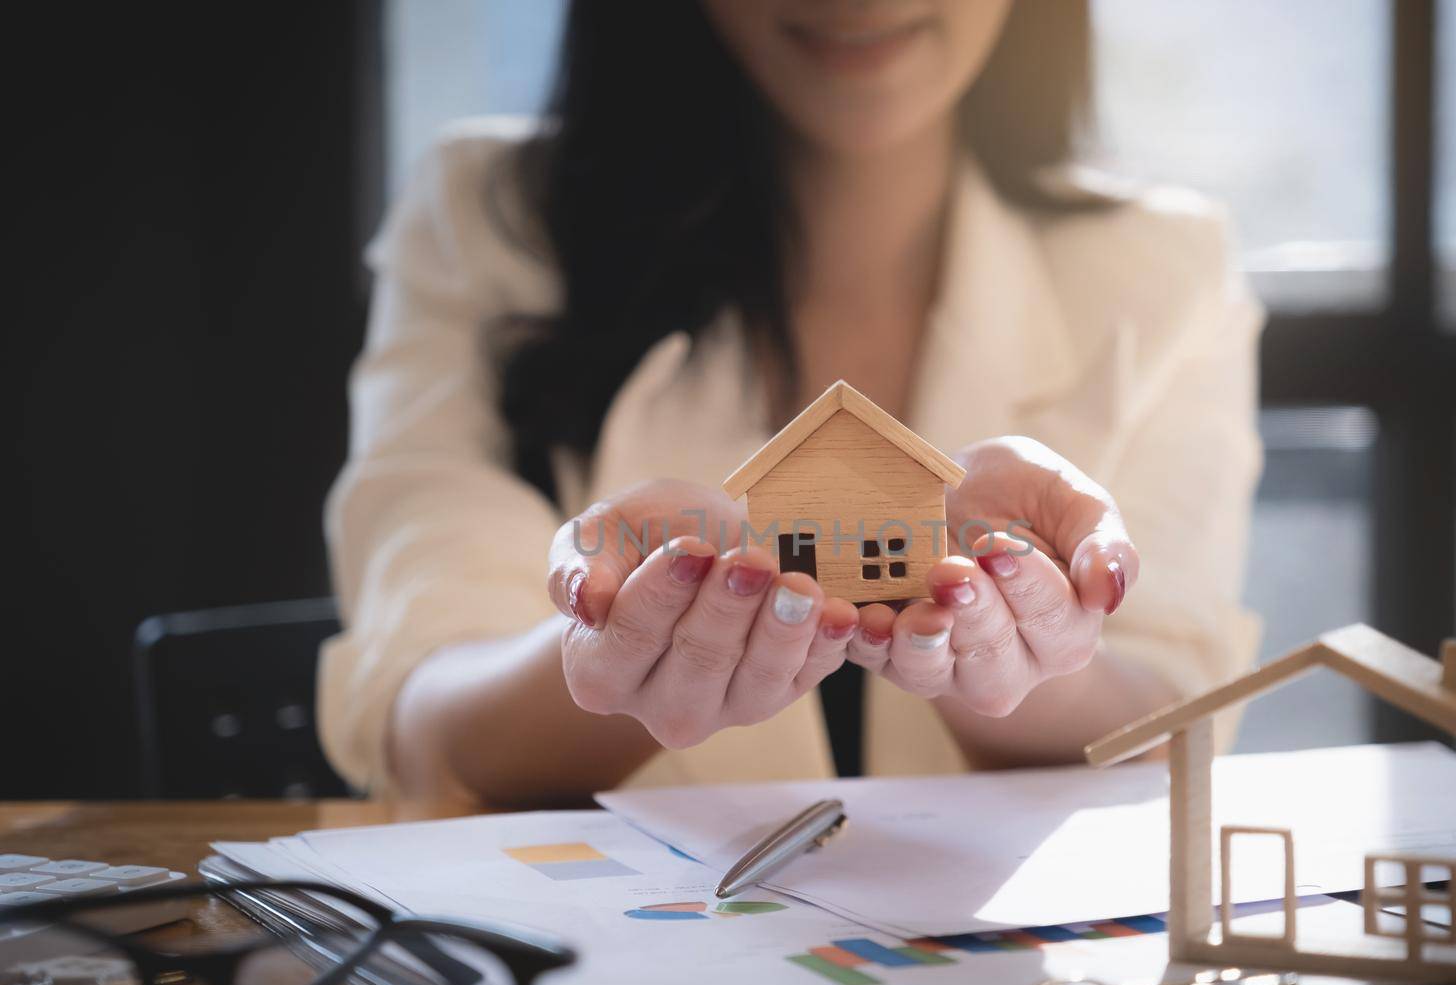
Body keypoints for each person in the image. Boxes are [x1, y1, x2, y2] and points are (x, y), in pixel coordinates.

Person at [318, 0, 1263, 806]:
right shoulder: (485, 219)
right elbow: (419, 720)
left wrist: (1013, 651)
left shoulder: (1165, 270)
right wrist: (610, 658)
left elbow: (1171, 727)